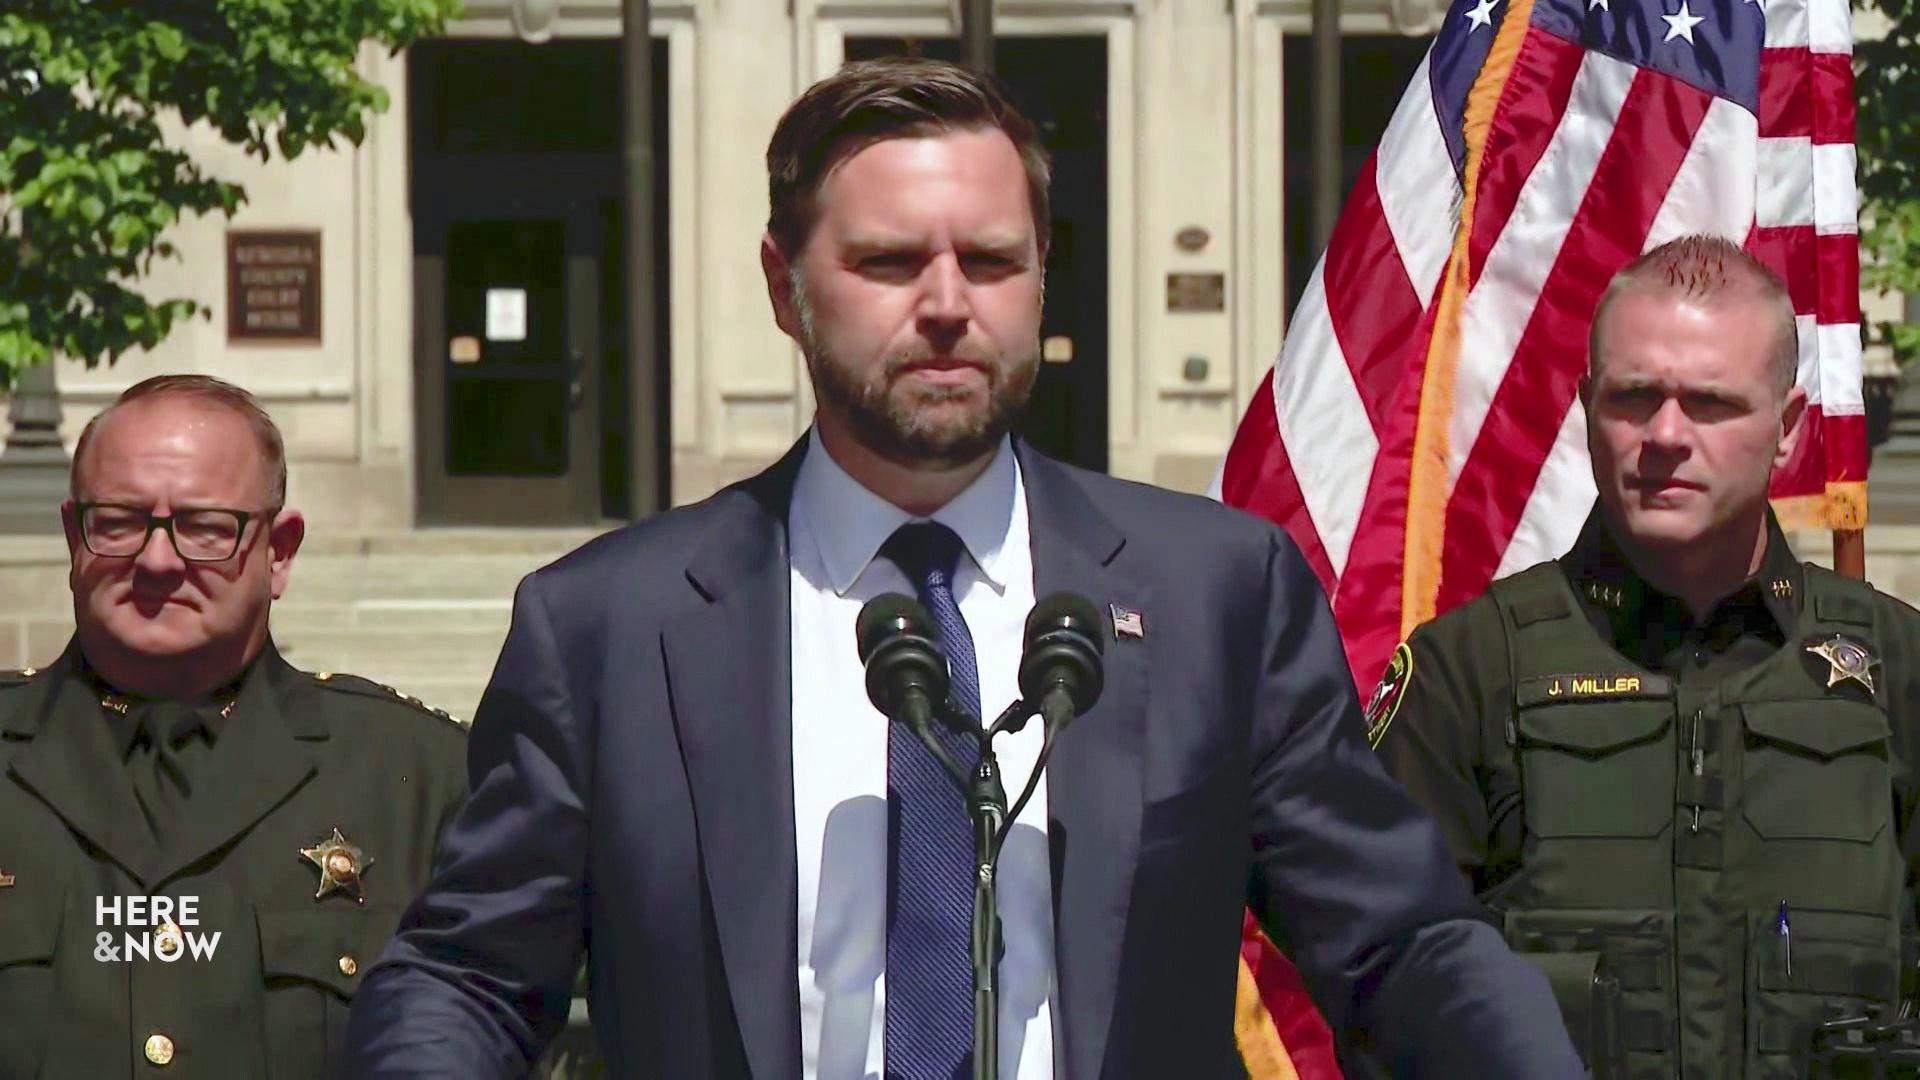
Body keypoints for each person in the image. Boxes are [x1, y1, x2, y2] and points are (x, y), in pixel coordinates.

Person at [347, 57, 1580, 1079]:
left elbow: (1401, 947)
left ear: (1043, 276)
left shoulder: (1217, 594)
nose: (946, 306)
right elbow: (468, 976)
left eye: (991, 262)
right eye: (887, 263)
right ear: (786, 289)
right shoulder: (609, 625)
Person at [1370, 234, 1920, 1079]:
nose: (1665, 435)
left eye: (1710, 403)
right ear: (1589, 407)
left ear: (1788, 430)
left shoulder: (1895, 666)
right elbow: (1385, 982)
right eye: (1634, 398)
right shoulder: (1469, 670)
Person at [0, 374, 468, 1077]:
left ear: (279, 552)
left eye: (205, 528)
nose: (158, 561)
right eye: (120, 523)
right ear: (74, 537)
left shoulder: (417, 780)